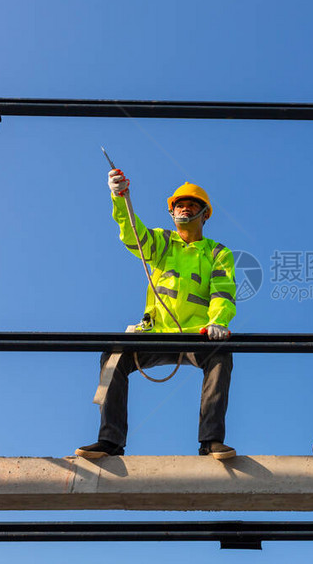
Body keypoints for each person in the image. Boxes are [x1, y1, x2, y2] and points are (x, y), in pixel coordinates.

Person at [75, 168, 237, 460]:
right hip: (157, 332)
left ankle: (211, 442)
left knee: (221, 355)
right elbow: (131, 234)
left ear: (205, 215)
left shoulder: (217, 253)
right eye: (179, 205)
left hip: (197, 335)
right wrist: (120, 197)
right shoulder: (162, 242)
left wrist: (218, 323)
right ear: (172, 212)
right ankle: (110, 442)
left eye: (192, 205)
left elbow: (222, 293)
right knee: (114, 355)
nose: (184, 209)